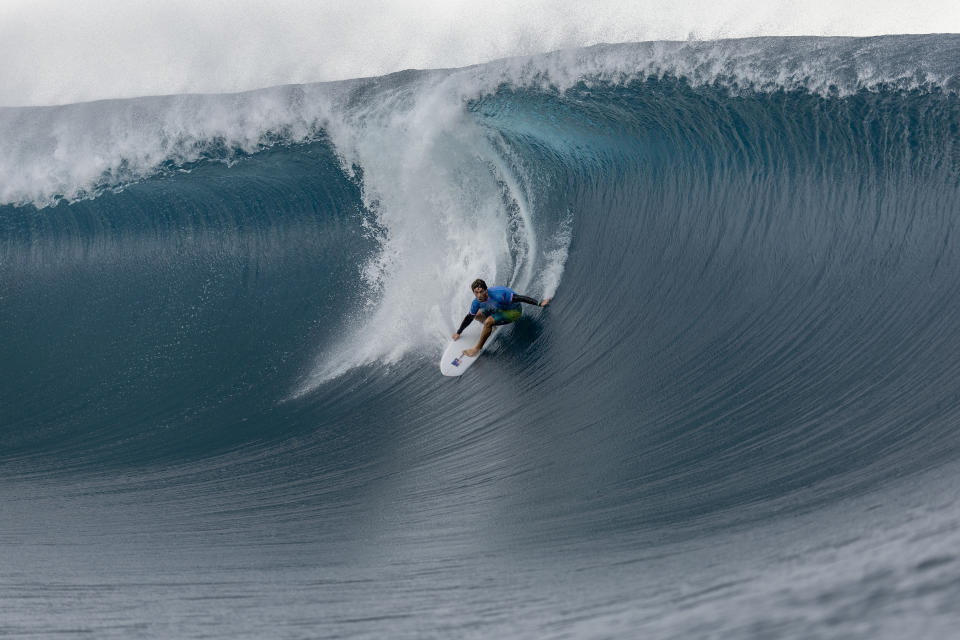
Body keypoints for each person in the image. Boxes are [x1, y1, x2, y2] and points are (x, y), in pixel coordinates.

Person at [453, 278, 550, 357]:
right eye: (476, 292)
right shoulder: (476, 302)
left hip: (513, 311)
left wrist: (539, 303)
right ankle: (491, 327)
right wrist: (458, 332)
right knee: (476, 315)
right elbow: (469, 317)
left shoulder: (500, 294)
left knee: (488, 322)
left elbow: (520, 298)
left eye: (481, 292)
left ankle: (477, 349)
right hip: (497, 309)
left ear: (486, 290)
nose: (478, 295)